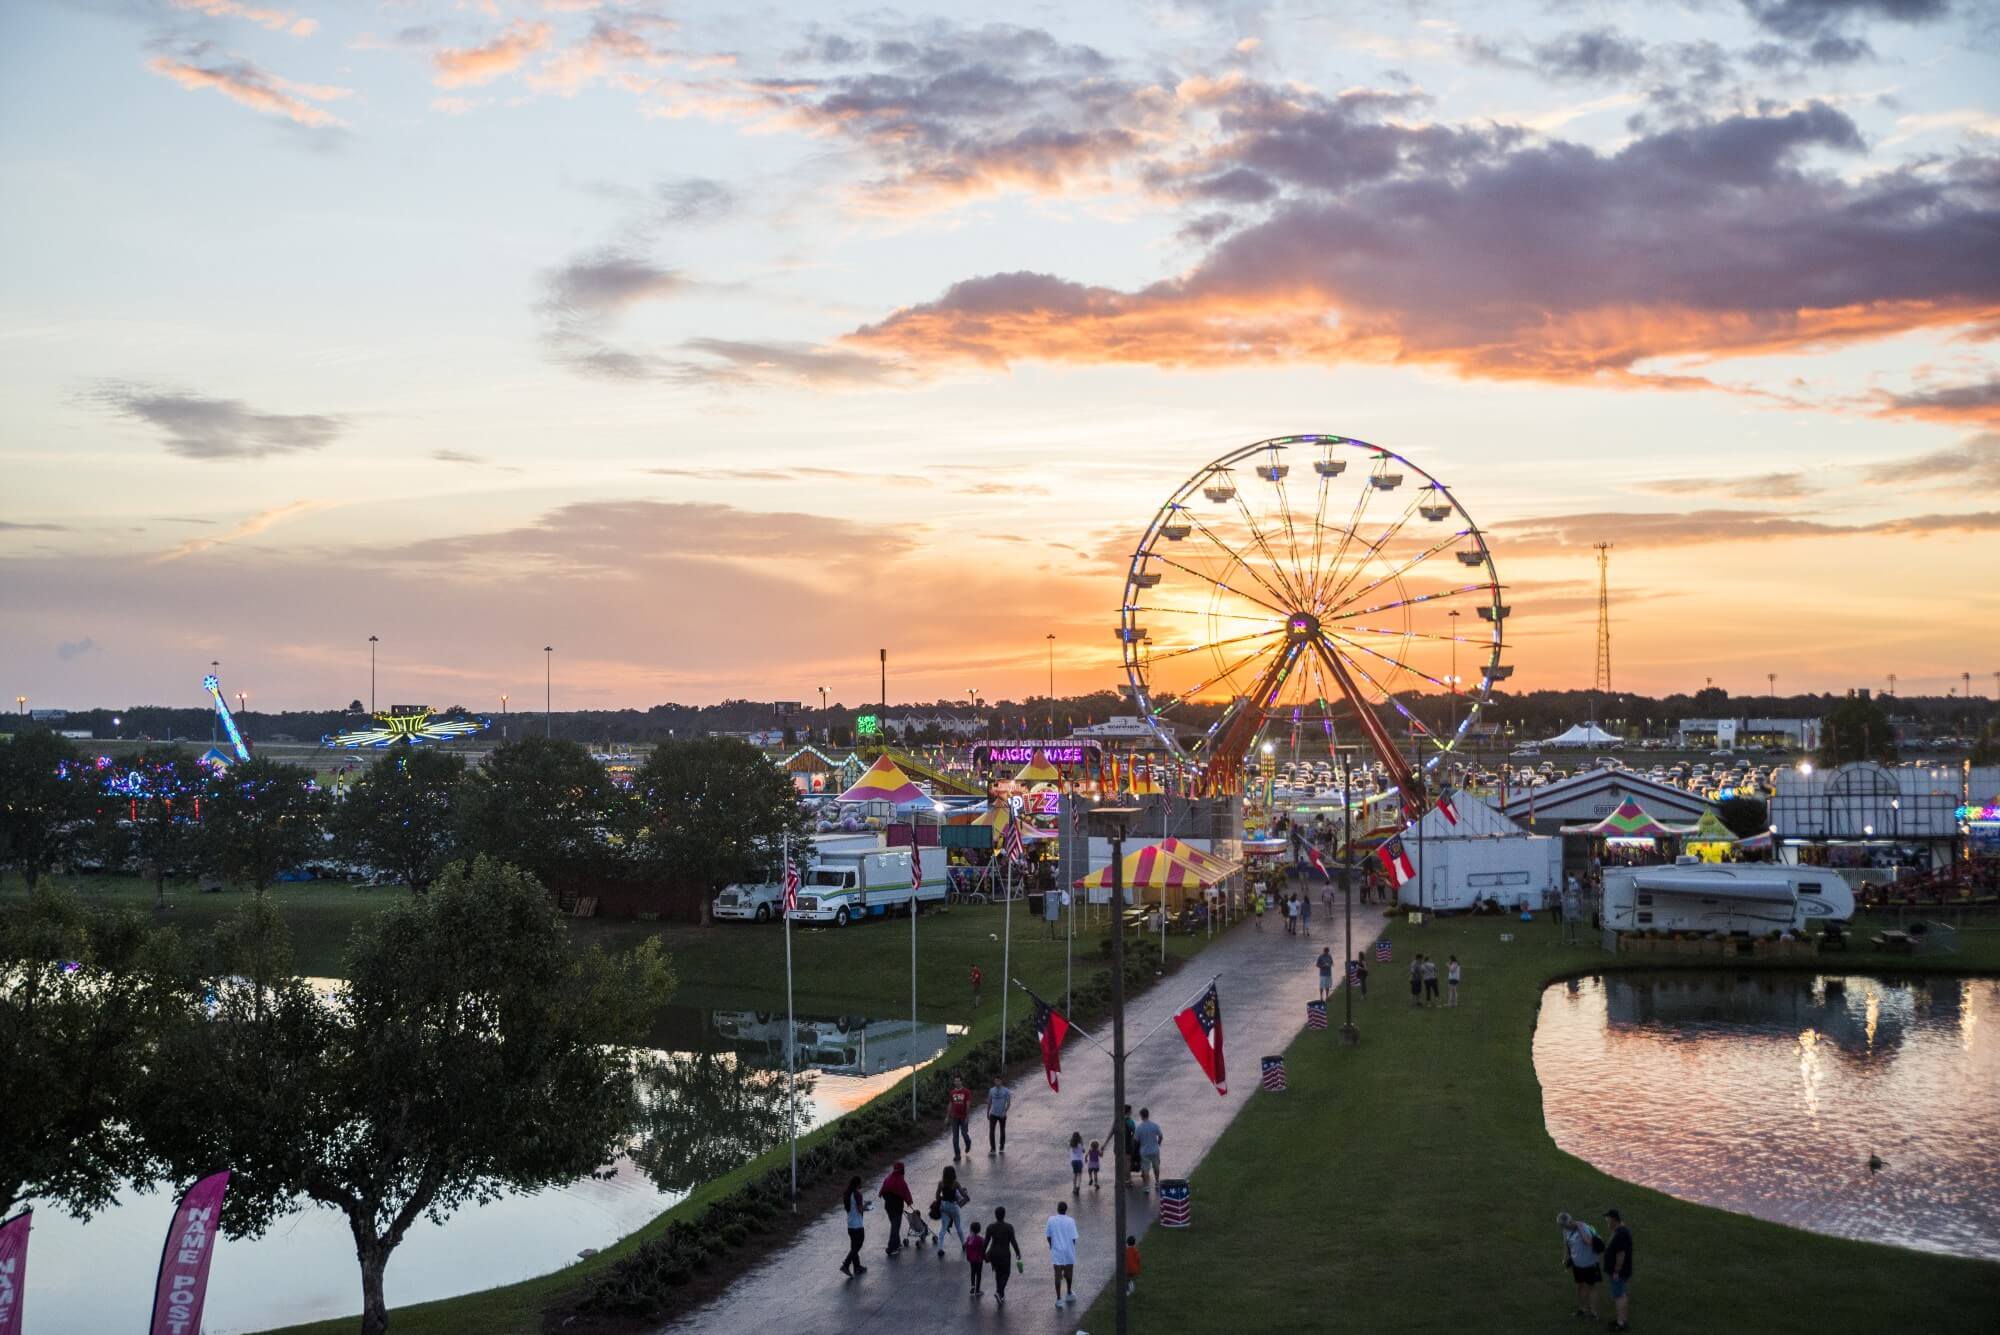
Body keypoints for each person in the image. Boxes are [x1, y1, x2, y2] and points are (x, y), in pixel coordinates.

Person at [1558, 1211, 1603, 1321]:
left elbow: (1588, 1241)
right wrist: (1565, 1258)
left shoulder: (1585, 1227)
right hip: (1577, 1265)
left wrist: (1579, 1226)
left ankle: (1594, 1313)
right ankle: (1581, 1310)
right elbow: (1566, 1244)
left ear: (1571, 1221)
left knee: (1591, 1287)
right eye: (1562, 1226)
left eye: (1566, 1225)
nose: (1565, 1228)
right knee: (1579, 1286)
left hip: (1590, 1264)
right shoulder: (1565, 1230)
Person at [1603, 1208, 1634, 1332]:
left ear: (1613, 1219)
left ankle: (1621, 1323)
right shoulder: (1620, 1230)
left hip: (1619, 1272)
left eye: (1608, 1218)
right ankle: (1622, 1319)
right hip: (1620, 1271)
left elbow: (1621, 1254)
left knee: (1619, 1296)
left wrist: (1616, 1271)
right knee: (1621, 1294)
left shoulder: (1621, 1234)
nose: (1606, 1221)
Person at [985, 1205, 1022, 1306]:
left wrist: (983, 1254)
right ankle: (999, 1291)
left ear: (995, 1215)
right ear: (1004, 1215)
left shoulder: (990, 1227)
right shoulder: (1009, 1227)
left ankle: (1001, 1295)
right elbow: (1013, 1242)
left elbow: (986, 1242)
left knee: (998, 1273)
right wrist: (1018, 1253)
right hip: (1005, 1253)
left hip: (993, 1253)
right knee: (1006, 1273)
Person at [1045, 1200, 1079, 1307]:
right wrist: (1072, 1248)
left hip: (1057, 1251)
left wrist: (1051, 1245)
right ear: (1066, 1210)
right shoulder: (1071, 1221)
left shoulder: (1051, 1220)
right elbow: (1074, 1238)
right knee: (1069, 1274)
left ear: (1057, 1209)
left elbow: (1048, 1236)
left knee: (1057, 1275)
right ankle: (1068, 1292)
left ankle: (1059, 1299)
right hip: (1068, 1251)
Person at [878, 1160, 915, 1254]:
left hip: (888, 1206)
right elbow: (906, 1192)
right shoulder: (900, 1180)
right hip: (897, 1207)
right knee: (895, 1226)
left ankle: (897, 1243)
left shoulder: (888, 1178)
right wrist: (909, 1202)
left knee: (895, 1225)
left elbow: (883, 1190)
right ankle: (891, 1248)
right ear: (902, 1170)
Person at [839, 1176, 868, 1279]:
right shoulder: (858, 1194)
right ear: (858, 1184)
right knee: (857, 1246)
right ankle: (846, 1265)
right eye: (860, 1183)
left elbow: (851, 1207)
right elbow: (860, 1210)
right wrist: (867, 1207)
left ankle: (857, 1267)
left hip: (850, 1225)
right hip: (858, 1225)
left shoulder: (847, 1194)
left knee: (854, 1246)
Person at [934, 1166, 967, 1257]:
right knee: (958, 1226)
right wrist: (965, 1196)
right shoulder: (955, 1183)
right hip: (953, 1207)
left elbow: (937, 1196)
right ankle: (964, 1244)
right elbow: (963, 1195)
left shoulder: (941, 1183)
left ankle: (940, 1248)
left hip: (944, 1206)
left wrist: (943, 1199)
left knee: (943, 1228)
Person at [1135, 1108, 1164, 1195]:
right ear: (1148, 1114)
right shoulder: (1154, 1125)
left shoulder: (1139, 1128)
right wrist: (1158, 1143)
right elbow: (1161, 1136)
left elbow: (1136, 1140)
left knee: (1145, 1169)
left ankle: (1147, 1186)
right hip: (1154, 1150)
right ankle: (1157, 1182)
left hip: (1144, 1151)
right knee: (1156, 1166)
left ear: (1141, 1116)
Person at [947, 1073, 973, 1162]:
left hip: (963, 1117)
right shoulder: (952, 1092)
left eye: (958, 1081)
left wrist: (967, 1116)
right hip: (954, 1117)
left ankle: (968, 1143)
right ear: (954, 1082)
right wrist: (947, 1116)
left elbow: (968, 1104)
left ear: (961, 1081)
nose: (957, 1082)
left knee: (964, 1134)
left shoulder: (966, 1091)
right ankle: (957, 1155)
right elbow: (950, 1104)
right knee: (955, 1137)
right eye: (955, 1081)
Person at [987, 1075, 1013, 1155]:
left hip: (1002, 1114)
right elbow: (989, 1102)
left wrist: (1005, 1111)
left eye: (998, 1081)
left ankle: (1001, 1147)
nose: (997, 1082)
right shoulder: (991, 1090)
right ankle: (993, 1148)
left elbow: (1008, 1103)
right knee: (991, 1131)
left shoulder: (1006, 1091)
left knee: (1002, 1130)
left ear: (1001, 1081)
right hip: (993, 1113)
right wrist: (987, 1112)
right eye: (995, 1081)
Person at [964, 1221, 987, 1297]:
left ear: (971, 1229)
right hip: (978, 1260)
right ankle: (977, 1290)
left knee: (973, 1273)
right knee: (979, 1274)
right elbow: (983, 1249)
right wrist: (986, 1258)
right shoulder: (980, 1239)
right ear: (979, 1230)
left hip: (971, 1259)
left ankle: (972, 1287)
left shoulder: (969, 1238)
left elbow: (965, 1246)